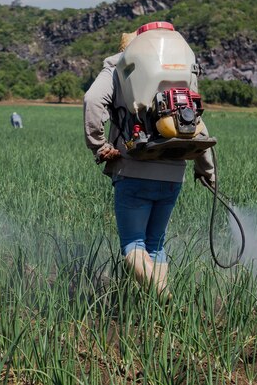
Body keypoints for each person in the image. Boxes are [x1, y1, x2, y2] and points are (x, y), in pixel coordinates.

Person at [83, 30, 215, 299]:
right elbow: (194, 122)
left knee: (133, 243)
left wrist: (99, 145)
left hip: (134, 168)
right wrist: (206, 169)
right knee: (155, 245)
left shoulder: (118, 68)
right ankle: (156, 311)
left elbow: (92, 100)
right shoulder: (175, 67)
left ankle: (163, 296)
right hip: (173, 172)